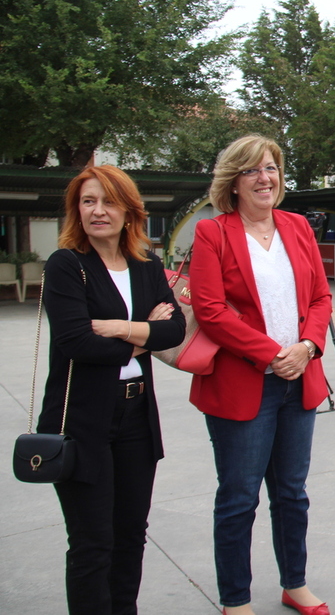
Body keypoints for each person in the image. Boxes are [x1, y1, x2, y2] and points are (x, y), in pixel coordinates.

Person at [188, 135, 333, 615]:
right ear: (233, 181)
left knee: (292, 494)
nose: (264, 178)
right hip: (242, 383)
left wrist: (308, 347)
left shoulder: (296, 227)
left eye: (270, 168)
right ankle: (236, 599)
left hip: (300, 380)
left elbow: (320, 299)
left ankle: (295, 584)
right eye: (252, 170)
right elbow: (209, 310)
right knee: (239, 498)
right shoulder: (214, 233)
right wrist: (274, 354)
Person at [40, 165, 185, 614]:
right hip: (82, 420)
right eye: (88, 201)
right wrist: (144, 334)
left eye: (108, 201)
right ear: (76, 210)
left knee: (129, 535)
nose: (97, 211)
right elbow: (75, 342)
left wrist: (121, 328)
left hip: (137, 416)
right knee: (92, 541)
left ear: (128, 211)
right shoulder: (66, 265)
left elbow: (175, 330)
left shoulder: (147, 265)